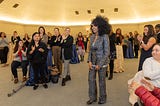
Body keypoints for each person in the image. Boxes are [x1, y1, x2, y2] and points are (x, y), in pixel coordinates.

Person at [87, 15, 110, 105]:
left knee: (101, 81)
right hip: (92, 62)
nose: (93, 28)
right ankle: (92, 98)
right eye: (92, 26)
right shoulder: (92, 37)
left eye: (95, 26)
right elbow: (90, 51)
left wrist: (99, 65)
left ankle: (102, 98)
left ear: (100, 26)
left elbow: (106, 52)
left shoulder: (104, 36)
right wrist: (89, 61)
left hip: (102, 63)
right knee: (91, 80)